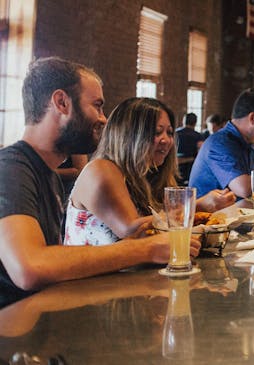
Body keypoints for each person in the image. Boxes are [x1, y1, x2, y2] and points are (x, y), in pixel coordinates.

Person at [0, 57, 199, 308]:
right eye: (97, 106)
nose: (104, 119)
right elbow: (30, 267)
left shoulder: (45, 173)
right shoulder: (11, 168)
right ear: (61, 103)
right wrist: (146, 249)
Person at [65, 97, 236, 246]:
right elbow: (135, 232)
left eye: (169, 133)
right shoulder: (101, 169)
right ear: (129, 135)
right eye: (156, 132)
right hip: (93, 283)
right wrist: (197, 205)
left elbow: (164, 233)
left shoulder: (148, 175)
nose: (166, 140)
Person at [189, 88, 254, 199]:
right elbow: (243, 189)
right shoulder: (219, 144)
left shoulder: (246, 142)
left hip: (234, 212)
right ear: (252, 118)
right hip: (209, 215)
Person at [175, 113, 203, 183]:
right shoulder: (198, 136)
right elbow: (201, 156)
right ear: (195, 123)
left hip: (174, 168)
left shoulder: (175, 134)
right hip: (191, 170)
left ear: (183, 121)